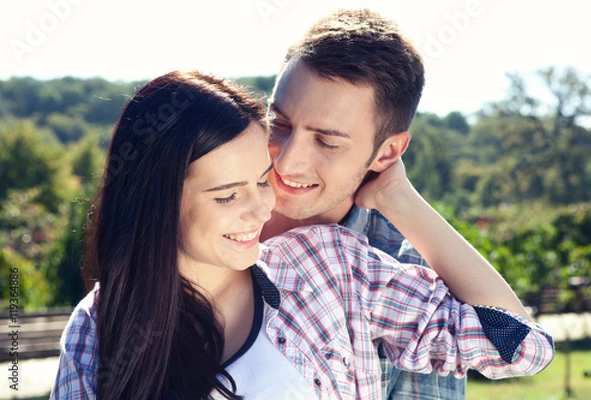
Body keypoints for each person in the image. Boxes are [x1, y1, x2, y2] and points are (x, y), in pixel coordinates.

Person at [50, 70, 554, 400]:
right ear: (156, 203)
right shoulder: (98, 326)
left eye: (261, 179)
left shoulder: (326, 267)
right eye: (227, 196)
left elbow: (520, 347)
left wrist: (400, 198)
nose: (260, 208)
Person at [259, 8, 464, 399]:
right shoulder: (198, 213)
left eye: (327, 142)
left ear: (387, 153)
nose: (286, 160)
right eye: (280, 124)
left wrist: (399, 198)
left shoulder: (410, 278)